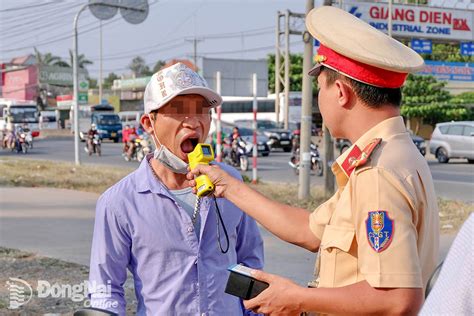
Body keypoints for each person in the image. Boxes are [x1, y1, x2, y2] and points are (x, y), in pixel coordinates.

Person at [187, 6, 439, 315]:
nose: (318, 99)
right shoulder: (393, 153)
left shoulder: (377, 172)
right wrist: (228, 186)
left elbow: (397, 299)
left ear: (342, 93)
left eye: (319, 88)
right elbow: (311, 230)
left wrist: (296, 299)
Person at [88, 62, 264, 315]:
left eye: (201, 111)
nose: (192, 123)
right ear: (149, 123)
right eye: (179, 111)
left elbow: (250, 264)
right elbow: (105, 287)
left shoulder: (232, 184)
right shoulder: (119, 203)